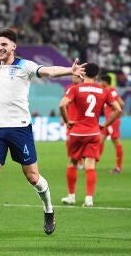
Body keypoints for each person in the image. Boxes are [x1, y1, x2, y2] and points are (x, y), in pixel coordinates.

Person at [0, 28, 86, 240]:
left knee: (32, 176)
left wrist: (70, 70)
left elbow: (49, 71)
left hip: (20, 129)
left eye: (4, 44)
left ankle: (49, 210)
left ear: (14, 47)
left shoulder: (25, 66)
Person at [59, 63, 122, 207]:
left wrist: (68, 121)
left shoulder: (75, 89)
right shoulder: (103, 91)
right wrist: (105, 125)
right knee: (90, 166)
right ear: (97, 75)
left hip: (76, 132)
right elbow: (118, 109)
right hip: (94, 132)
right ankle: (89, 199)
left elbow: (62, 104)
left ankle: (71, 197)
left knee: (72, 163)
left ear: (83, 73)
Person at [61, 75, 84, 205]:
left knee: (75, 148)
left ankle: (75, 196)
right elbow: (64, 104)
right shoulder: (68, 88)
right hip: (71, 121)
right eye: (73, 76)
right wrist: (63, 118)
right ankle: (79, 162)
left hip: (80, 123)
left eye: (76, 76)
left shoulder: (82, 89)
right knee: (70, 145)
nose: (74, 78)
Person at [99, 74, 124, 174]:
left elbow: (121, 103)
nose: (100, 82)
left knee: (116, 142)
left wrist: (114, 113)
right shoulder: (107, 91)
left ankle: (118, 167)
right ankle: (93, 162)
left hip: (112, 121)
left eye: (102, 81)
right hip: (107, 121)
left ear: (105, 82)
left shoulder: (111, 90)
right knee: (100, 140)